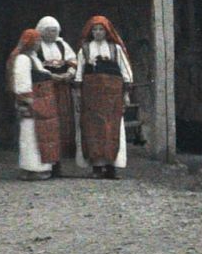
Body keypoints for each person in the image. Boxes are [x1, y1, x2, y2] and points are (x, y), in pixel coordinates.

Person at [9, 16, 77, 179]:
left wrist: (65, 74)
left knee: (43, 134)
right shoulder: (24, 59)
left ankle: (45, 166)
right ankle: (33, 168)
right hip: (35, 101)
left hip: (45, 99)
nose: (39, 43)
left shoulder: (35, 56)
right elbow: (22, 82)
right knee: (31, 136)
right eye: (37, 40)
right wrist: (28, 101)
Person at [74, 15, 135, 178]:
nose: (98, 32)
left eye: (101, 29)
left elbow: (126, 71)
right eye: (95, 30)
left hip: (112, 95)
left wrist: (126, 94)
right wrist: (78, 95)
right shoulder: (85, 49)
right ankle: (97, 166)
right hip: (91, 95)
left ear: (107, 32)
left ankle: (111, 166)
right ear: (91, 32)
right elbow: (79, 72)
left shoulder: (116, 49)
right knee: (93, 129)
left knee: (112, 128)